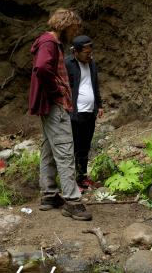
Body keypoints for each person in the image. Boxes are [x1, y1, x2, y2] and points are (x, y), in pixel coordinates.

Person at [29, 8, 92, 221]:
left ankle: (48, 195)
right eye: (74, 29)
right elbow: (42, 68)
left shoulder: (49, 42)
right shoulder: (49, 43)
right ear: (65, 26)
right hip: (55, 105)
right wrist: (57, 92)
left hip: (50, 106)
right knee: (65, 150)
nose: (75, 34)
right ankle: (72, 202)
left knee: (48, 149)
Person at [65, 35, 103, 190]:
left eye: (90, 52)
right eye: (86, 53)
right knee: (75, 147)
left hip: (90, 112)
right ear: (76, 52)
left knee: (85, 146)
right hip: (75, 113)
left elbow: (95, 85)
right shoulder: (67, 64)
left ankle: (82, 178)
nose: (90, 55)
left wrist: (99, 105)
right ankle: (71, 182)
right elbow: (64, 87)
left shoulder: (92, 63)